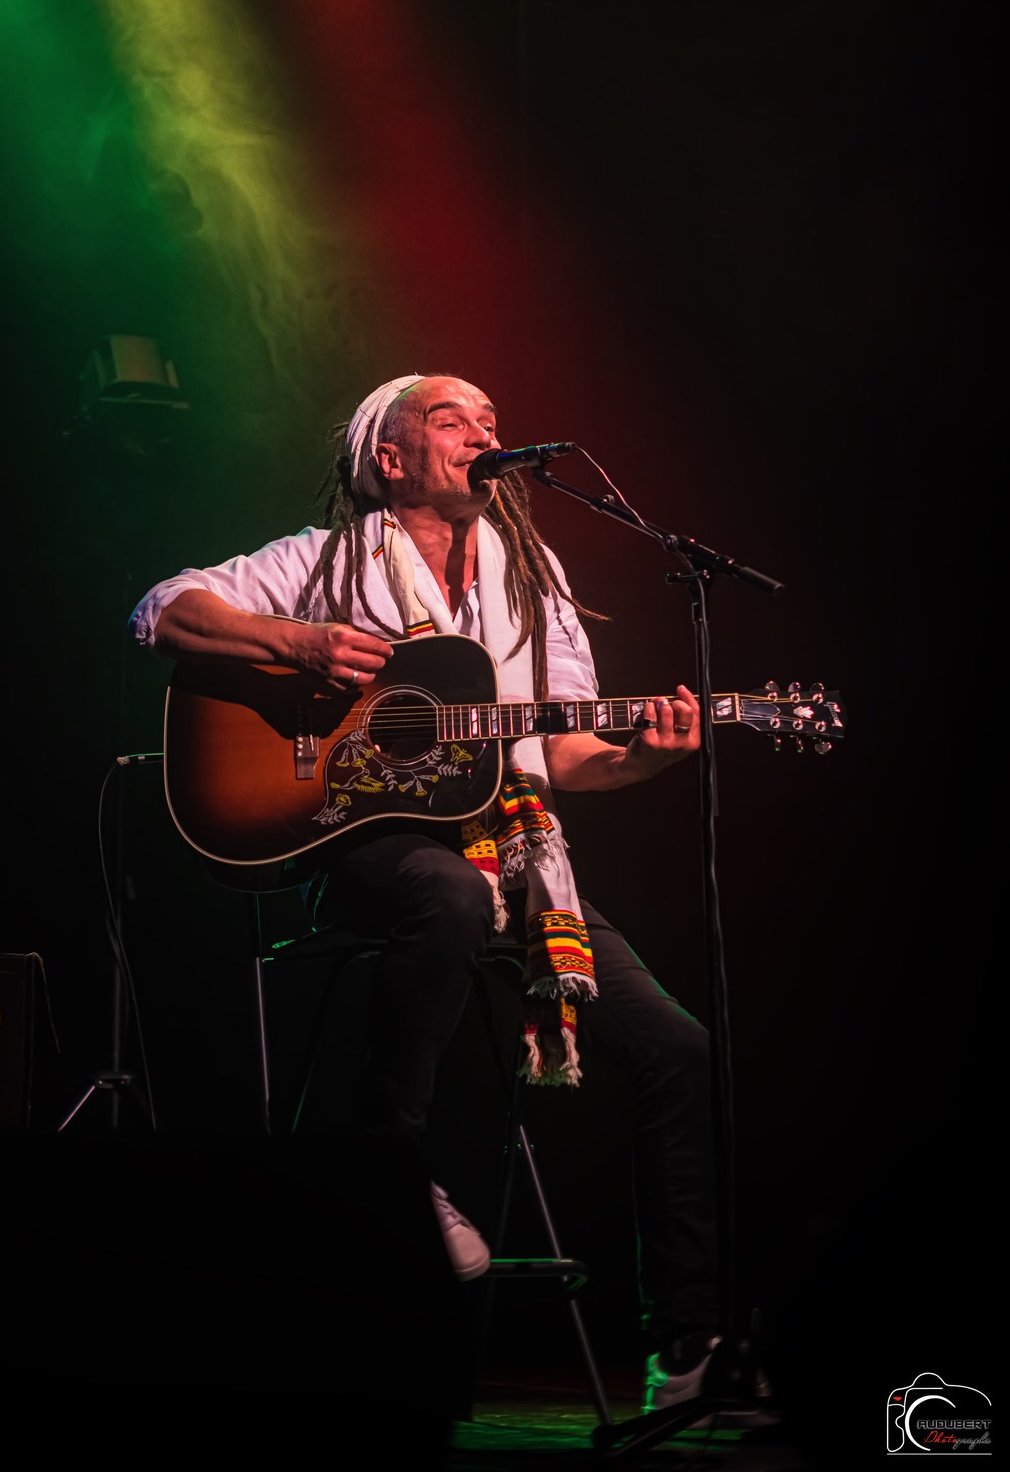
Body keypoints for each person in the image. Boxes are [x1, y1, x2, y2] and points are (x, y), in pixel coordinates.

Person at [129, 371, 767, 1420]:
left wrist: (646, 758)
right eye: (452, 416)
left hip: (514, 851)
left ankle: (686, 1342)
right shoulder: (320, 559)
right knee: (447, 898)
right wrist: (294, 642)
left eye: (491, 419)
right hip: (362, 851)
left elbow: (559, 751)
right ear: (389, 456)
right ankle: (389, 1179)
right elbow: (158, 608)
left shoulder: (532, 571)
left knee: (679, 1051)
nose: (485, 429)